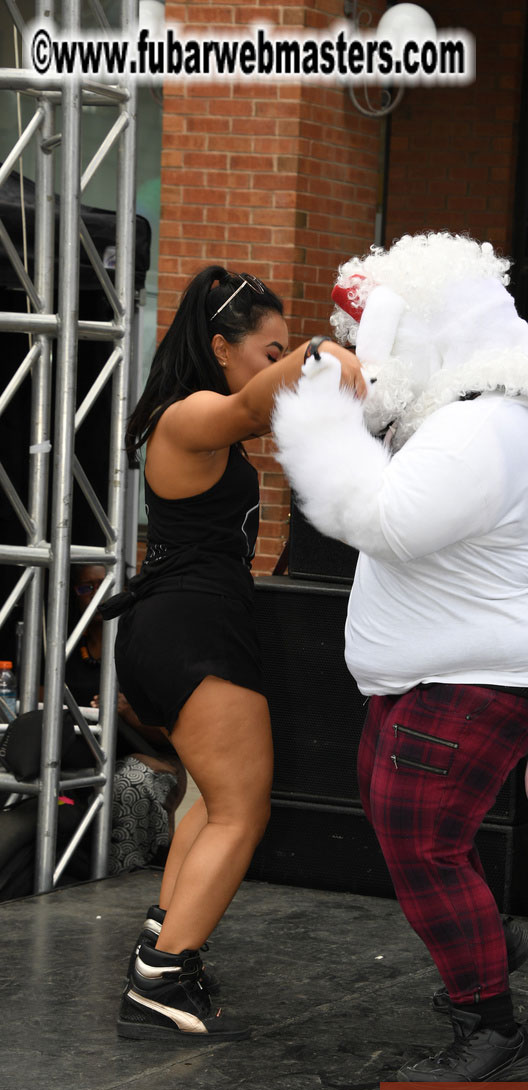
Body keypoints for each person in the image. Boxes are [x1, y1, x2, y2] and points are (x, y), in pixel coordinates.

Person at [274, 232, 528, 1082]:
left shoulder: (484, 428)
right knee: (402, 819)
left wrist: (320, 419)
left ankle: (491, 1027)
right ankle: (486, 939)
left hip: (477, 672)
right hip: (442, 668)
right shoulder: (477, 416)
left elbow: (385, 521)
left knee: (421, 839)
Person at [106, 265, 365, 1041]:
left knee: (206, 806)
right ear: (221, 347)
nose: (278, 360)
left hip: (182, 629)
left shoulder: (184, 417)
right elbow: (259, 404)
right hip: (191, 632)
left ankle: (164, 942)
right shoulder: (188, 416)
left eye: (287, 347)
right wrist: (321, 350)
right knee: (242, 811)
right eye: (269, 347)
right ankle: (160, 980)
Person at [67, 563, 186, 873]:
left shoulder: (147, 647)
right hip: (81, 759)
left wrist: (130, 714)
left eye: (105, 584)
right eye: (85, 588)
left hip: (148, 758)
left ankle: (124, 882)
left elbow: (179, 733)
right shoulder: (63, 647)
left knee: (129, 783)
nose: (96, 594)